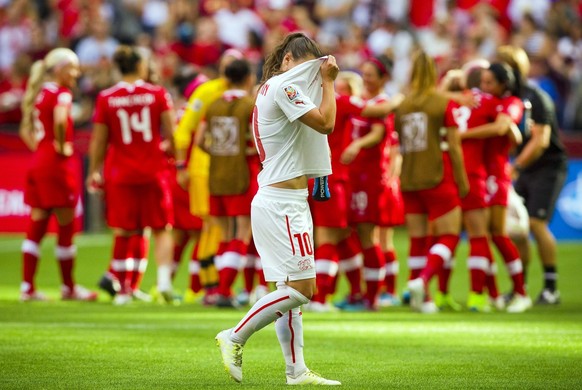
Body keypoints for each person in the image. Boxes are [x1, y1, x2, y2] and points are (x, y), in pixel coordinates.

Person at [215, 32, 341, 385]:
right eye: (303, 68)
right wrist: (328, 84)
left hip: (285, 199)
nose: (307, 78)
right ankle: (234, 336)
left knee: (291, 293)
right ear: (287, 62)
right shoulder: (284, 88)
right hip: (281, 203)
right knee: (302, 289)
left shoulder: (276, 89)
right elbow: (326, 123)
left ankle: (296, 371)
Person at [87, 45, 176, 305]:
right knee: (161, 228)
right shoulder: (157, 93)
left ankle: (125, 290)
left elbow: (99, 140)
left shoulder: (106, 97)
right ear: (140, 66)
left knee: (125, 231)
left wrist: (94, 169)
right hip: (153, 170)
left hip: (121, 173)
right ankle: (164, 283)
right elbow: (171, 133)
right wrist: (175, 157)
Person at [19, 48, 98, 302]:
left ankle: (27, 288)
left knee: (37, 226)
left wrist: (41, 149)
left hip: (38, 162)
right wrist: (63, 145)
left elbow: (25, 130)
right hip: (56, 165)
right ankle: (69, 287)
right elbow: (61, 120)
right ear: (60, 69)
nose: (76, 73)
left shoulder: (39, 92)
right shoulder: (61, 94)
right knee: (66, 227)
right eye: (72, 67)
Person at [395, 50, 469, 314]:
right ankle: (423, 280)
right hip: (439, 176)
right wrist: (462, 182)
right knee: (449, 236)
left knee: (418, 239)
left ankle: (422, 299)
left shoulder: (402, 105)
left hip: (410, 178)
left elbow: (399, 144)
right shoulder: (442, 103)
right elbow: (455, 147)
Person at [497, 46, 568, 305]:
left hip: (548, 165)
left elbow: (541, 140)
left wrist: (514, 166)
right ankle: (520, 287)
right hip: (524, 167)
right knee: (518, 231)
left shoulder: (535, 97)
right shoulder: (508, 99)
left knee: (537, 224)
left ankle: (551, 288)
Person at [459, 62, 532, 313]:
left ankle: (521, 293)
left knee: (499, 234)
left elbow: (503, 127)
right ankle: (494, 294)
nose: (485, 86)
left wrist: (463, 135)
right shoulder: (482, 101)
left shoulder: (512, 102)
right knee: (483, 237)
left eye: (490, 82)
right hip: (480, 173)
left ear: (504, 84)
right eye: (483, 81)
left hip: (496, 174)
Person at [197, 58, 258, 307]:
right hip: (242, 175)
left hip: (216, 174)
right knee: (242, 233)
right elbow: (258, 141)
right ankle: (224, 290)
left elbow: (200, 141)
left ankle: (216, 290)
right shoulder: (250, 105)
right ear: (248, 79)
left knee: (223, 234)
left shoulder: (212, 105)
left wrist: (221, 152)